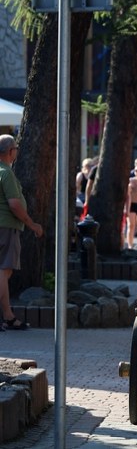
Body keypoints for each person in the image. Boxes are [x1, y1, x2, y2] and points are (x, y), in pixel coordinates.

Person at [0, 135, 43, 331]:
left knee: (3, 272)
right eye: (15, 148)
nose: (17, 151)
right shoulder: (6, 173)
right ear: (10, 151)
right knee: (3, 271)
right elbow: (14, 204)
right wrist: (32, 224)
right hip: (7, 227)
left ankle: (8, 316)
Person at [124, 165, 137, 249]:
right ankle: (130, 245)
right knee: (131, 225)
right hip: (132, 204)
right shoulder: (131, 181)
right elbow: (127, 195)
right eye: (136, 171)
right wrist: (126, 208)